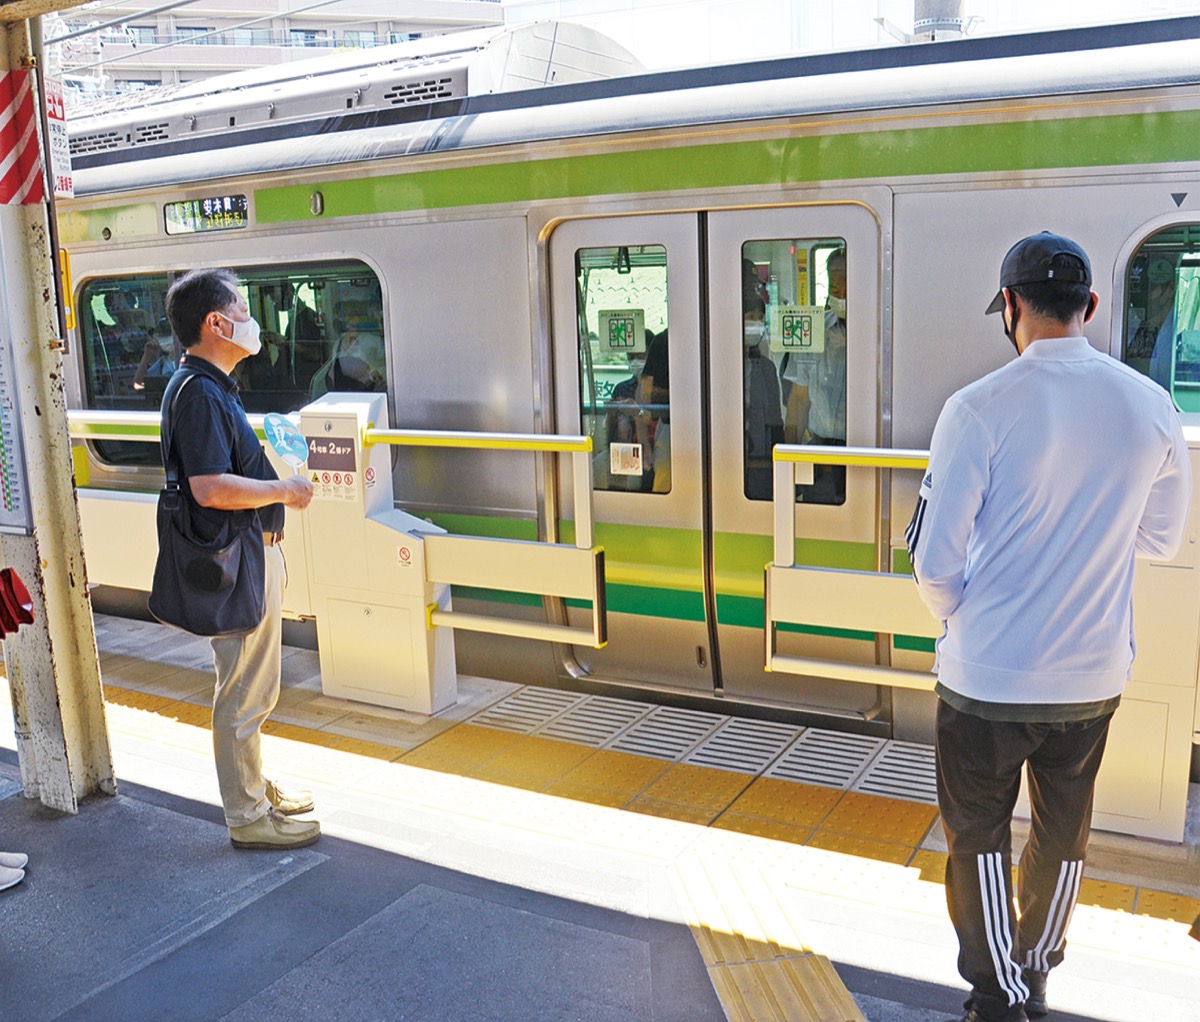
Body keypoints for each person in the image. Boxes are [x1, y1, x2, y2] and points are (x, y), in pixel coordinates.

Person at [906, 232, 1191, 1022]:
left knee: (978, 835)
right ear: (1091, 307)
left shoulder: (977, 408)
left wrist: (963, 620)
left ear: (1010, 306)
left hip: (986, 677)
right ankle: (1034, 967)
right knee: (1063, 833)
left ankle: (997, 993)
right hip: (1093, 675)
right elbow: (1162, 538)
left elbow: (934, 562)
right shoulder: (1152, 406)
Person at [163, 268, 321, 851]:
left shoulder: (205, 384)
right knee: (245, 689)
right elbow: (209, 487)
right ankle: (247, 813)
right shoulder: (202, 392)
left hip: (242, 555)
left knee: (250, 685)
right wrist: (283, 492)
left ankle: (250, 784)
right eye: (243, 310)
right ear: (216, 323)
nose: (252, 322)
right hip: (237, 559)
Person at [784, 248, 848, 503]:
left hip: (864, 452)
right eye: (835, 287)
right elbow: (798, 400)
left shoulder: (879, 331)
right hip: (820, 451)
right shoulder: (815, 331)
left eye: (847, 287)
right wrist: (791, 463)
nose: (841, 295)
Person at [743, 294, 784, 500]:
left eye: (760, 318)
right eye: (750, 316)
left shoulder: (766, 367)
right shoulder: (720, 365)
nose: (756, 324)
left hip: (760, 456)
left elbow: (776, 417)